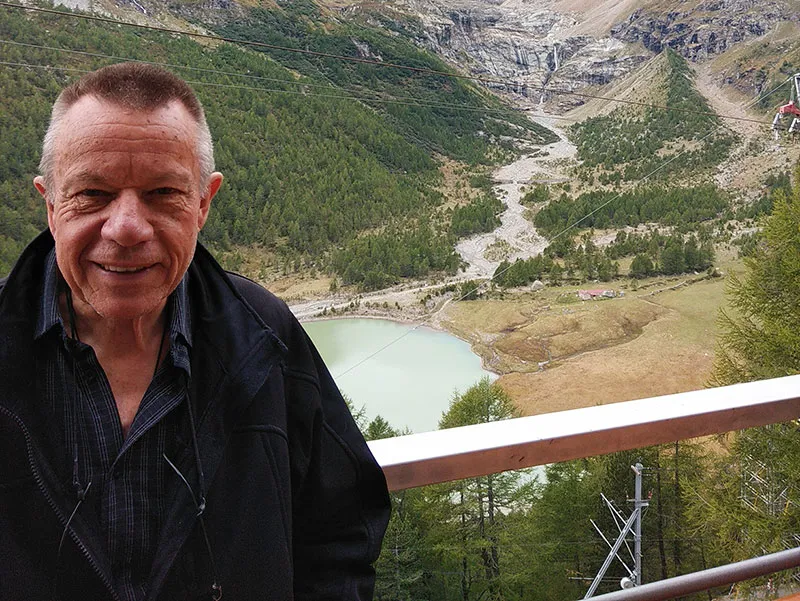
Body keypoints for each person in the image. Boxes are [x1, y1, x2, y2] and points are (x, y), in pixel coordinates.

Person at [0, 62, 390, 601]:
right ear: (49, 203)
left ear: (204, 203)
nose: (128, 228)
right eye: (92, 193)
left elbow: (340, 531)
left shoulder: (262, 333)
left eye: (164, 193)